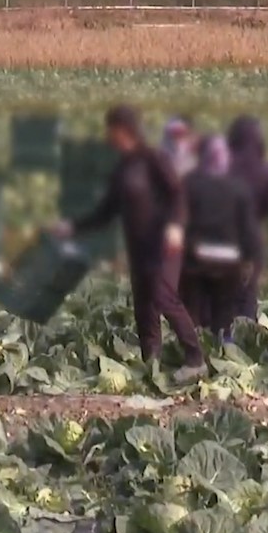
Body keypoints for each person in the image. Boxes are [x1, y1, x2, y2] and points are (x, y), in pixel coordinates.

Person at [52, 104, 205, 381]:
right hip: (139, 248)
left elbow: (177, 195)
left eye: (110, 130)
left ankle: (195, 359)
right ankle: (152, 365)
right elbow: (106, 212)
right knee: (145, 307)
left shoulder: (153, 158)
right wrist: (72, 227)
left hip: (164, 245)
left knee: (163, 296)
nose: (108, 136)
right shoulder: (123, 168)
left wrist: (175, 227)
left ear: (123, 130)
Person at [179, 134, 260, 343]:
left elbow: (180, 221)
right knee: (224, 315)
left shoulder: (190, 184)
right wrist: (249, 259)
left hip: (196, 259)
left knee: (193, 314)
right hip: (229, 260)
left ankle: (193, 354)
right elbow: (248, 229)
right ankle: (223, 355)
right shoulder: (239, 188)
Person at [226, 115, 268, 321]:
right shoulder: (266, 172)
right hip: (252, 239)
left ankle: (218, 339)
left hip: (224, 236)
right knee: (247, 295)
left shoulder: (224, 167)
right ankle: (242, 342)